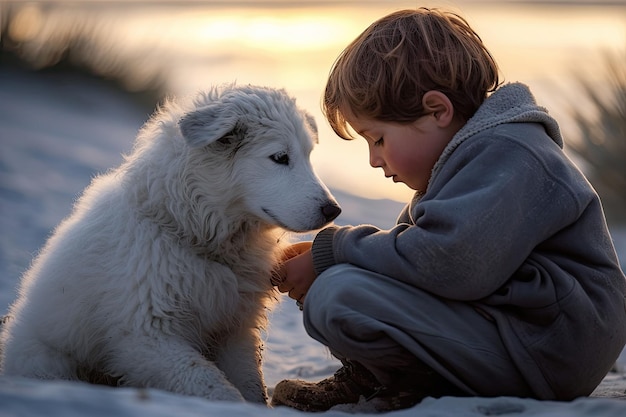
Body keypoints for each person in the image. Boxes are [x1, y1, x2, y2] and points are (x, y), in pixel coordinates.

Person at [269, 7, 626, 413]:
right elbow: (416, 261)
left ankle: (411, 385)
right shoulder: (465, 161)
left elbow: (449, 264)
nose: (373, 160)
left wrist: (332, 250)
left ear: (437, 110)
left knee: (339, 294)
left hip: (546, 351)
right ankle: (390, 379)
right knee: (337, 282)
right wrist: (325, 259)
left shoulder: (511, 155)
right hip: (517, 337)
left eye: (378, 139)